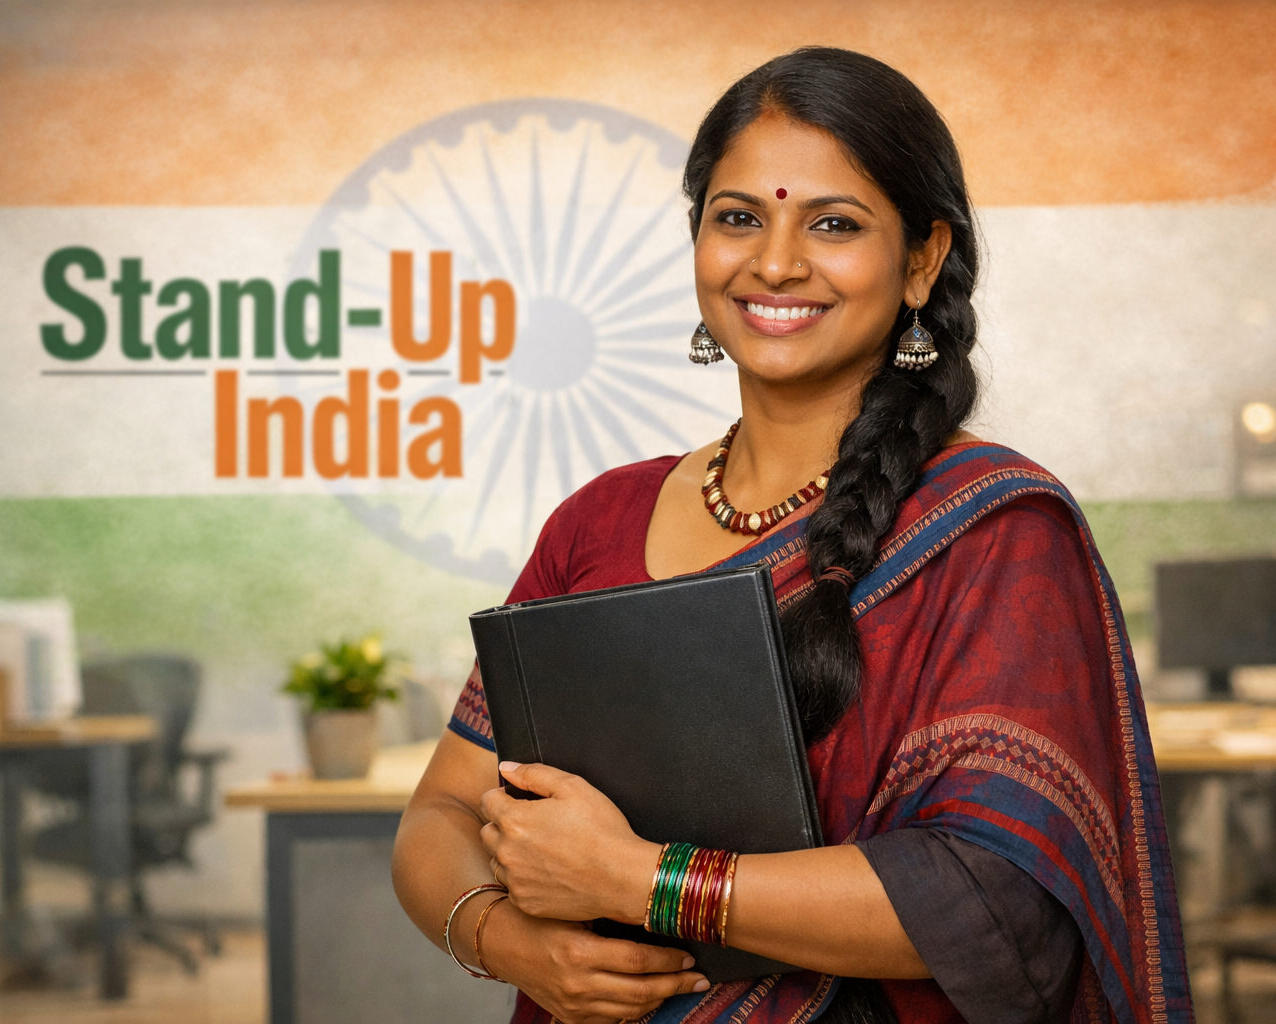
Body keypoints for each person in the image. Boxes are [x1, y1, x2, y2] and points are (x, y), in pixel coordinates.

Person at [392, 47, 1190, 1024]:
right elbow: (441, 813)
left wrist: (642, 879)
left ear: (922, 260)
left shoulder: (994, 532)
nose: (774, 262)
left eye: (834, 224)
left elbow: (994, 903)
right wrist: (504, 940)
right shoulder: (598, 520)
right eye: (738, 218)